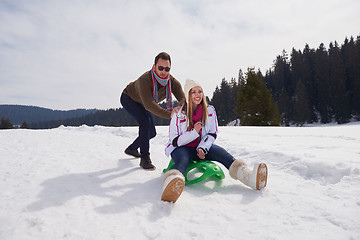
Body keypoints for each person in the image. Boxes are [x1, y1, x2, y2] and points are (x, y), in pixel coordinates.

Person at [161, 79, 268, 203]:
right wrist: (194, 133)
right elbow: (175, 141)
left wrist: (202, 148)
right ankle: (171, 186)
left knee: (223, 154)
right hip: (181, 148)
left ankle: (249, 178)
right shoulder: (178, 114)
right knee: (183, 160)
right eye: (193, 92)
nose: (197, 95)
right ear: (188, 95)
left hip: (201, 146)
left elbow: (212, 133)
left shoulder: (210, 111)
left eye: (200, 91)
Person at [120, 52, 185, 170]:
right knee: (144, 122)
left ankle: (132, 149)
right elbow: (149, 105)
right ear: (154, 66)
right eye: (160, 68)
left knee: (152, 133)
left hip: (144, 103)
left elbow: (183, 100)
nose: (163, 72)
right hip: (129, 98)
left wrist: (194, 109)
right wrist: (169, 114)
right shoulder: (144, 80)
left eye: (167, 69)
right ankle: (145, 158)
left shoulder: (172, 82)